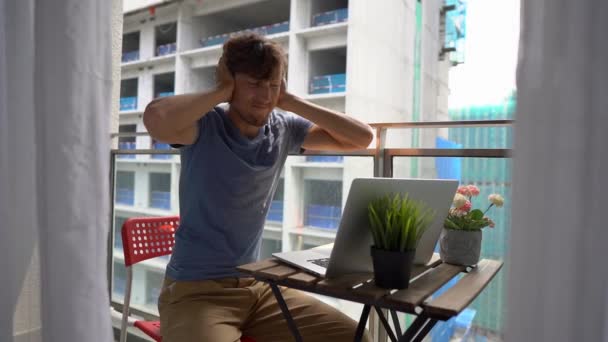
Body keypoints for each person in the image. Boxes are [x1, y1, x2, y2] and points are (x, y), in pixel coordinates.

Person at [143, 33, 374, 342]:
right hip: (195, 291)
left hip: (257, 286)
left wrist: (290, 100)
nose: (265, 96)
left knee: (356, 337)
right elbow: (156, 118)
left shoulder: (284, 127)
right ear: (231, 80)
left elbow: (361, 138)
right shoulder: (205, 126)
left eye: (273, 85)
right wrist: (220, 90)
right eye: (254, 83)